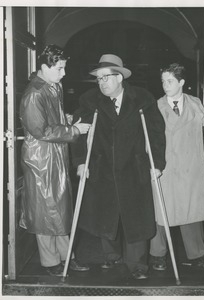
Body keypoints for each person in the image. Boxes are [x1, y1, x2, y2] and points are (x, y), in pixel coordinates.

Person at [70, 54, 166, 279]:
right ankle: (110, 256)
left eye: (106, 77)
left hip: (134, 167)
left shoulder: (142, 98)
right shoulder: (89, 100)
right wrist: (81, 162)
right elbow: (80, 134)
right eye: (99, 78)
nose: (101, 82)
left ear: (120, 77)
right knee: (106, 213)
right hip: (102, 167)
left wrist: (157, 163)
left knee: (136, 216)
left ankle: (137, 265)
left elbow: (156, 133)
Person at [19, 44, 91, 276]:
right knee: (45, 212)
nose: (64, 73)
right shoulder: (34, 94)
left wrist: (66, 119)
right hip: (40, 159)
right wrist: (74, 130)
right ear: (44, 67)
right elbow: (41, 131)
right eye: (59, 68)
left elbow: (51, 120)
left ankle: (66, 257)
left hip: (54, 155)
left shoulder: (53, 86)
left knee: (59, 210)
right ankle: (51, 262)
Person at [150, 63, 204, 272]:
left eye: (170, 81)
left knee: (191, 211)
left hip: (190, 167)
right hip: (166, 167)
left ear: (181, 82)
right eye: (163, 81)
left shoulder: (194, 102)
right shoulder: (157, 105)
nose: (165, 85)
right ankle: (157, 255)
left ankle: (198, 254)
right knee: (162, 211)